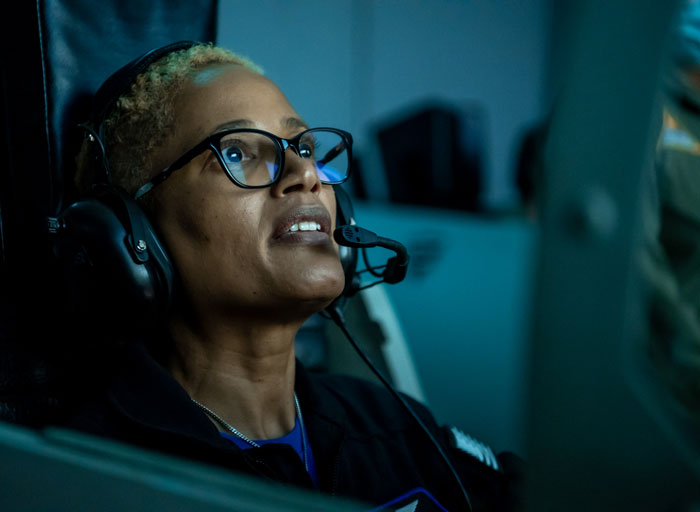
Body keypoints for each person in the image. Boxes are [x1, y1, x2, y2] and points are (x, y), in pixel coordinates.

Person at [59, 40, 522, 511]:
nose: (306, 174)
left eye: (304, 147)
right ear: (133, 238)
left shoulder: (396, 426)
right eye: (237, 153)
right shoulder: (76, 476)